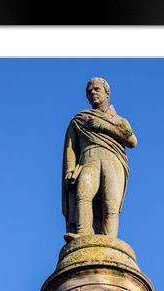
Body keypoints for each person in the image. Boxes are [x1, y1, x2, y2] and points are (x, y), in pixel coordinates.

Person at [62, 77, 137, 237]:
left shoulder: (120, 121)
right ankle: (82, 233)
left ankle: (109, 241)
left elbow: (132, 140)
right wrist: (69, 168)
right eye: (89, 91)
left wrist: (103, 126)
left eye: (96, 89)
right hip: (88, 160)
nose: (92, 93)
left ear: (107, 93)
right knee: (83, 193)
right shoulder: (79, 120)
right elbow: (71, 146)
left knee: (111, 205)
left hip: (114, 161)